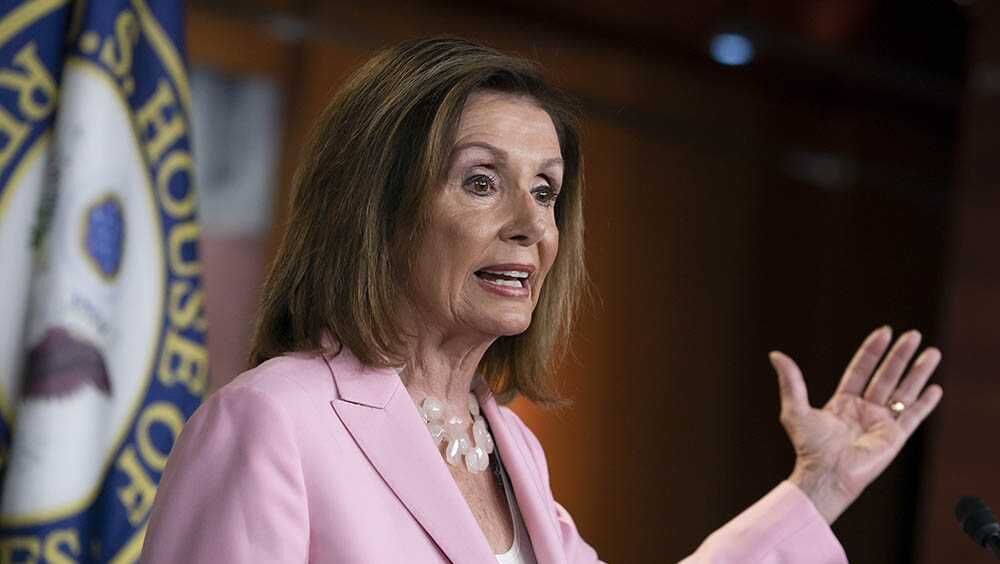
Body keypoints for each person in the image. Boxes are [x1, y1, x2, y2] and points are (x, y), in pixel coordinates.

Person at [139, 37, 944, 563]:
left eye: (547, 191)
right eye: (481, 182)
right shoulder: (274, 420)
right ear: (377, 208)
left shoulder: (508, 447)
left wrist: (818, 488)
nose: (531, 226)